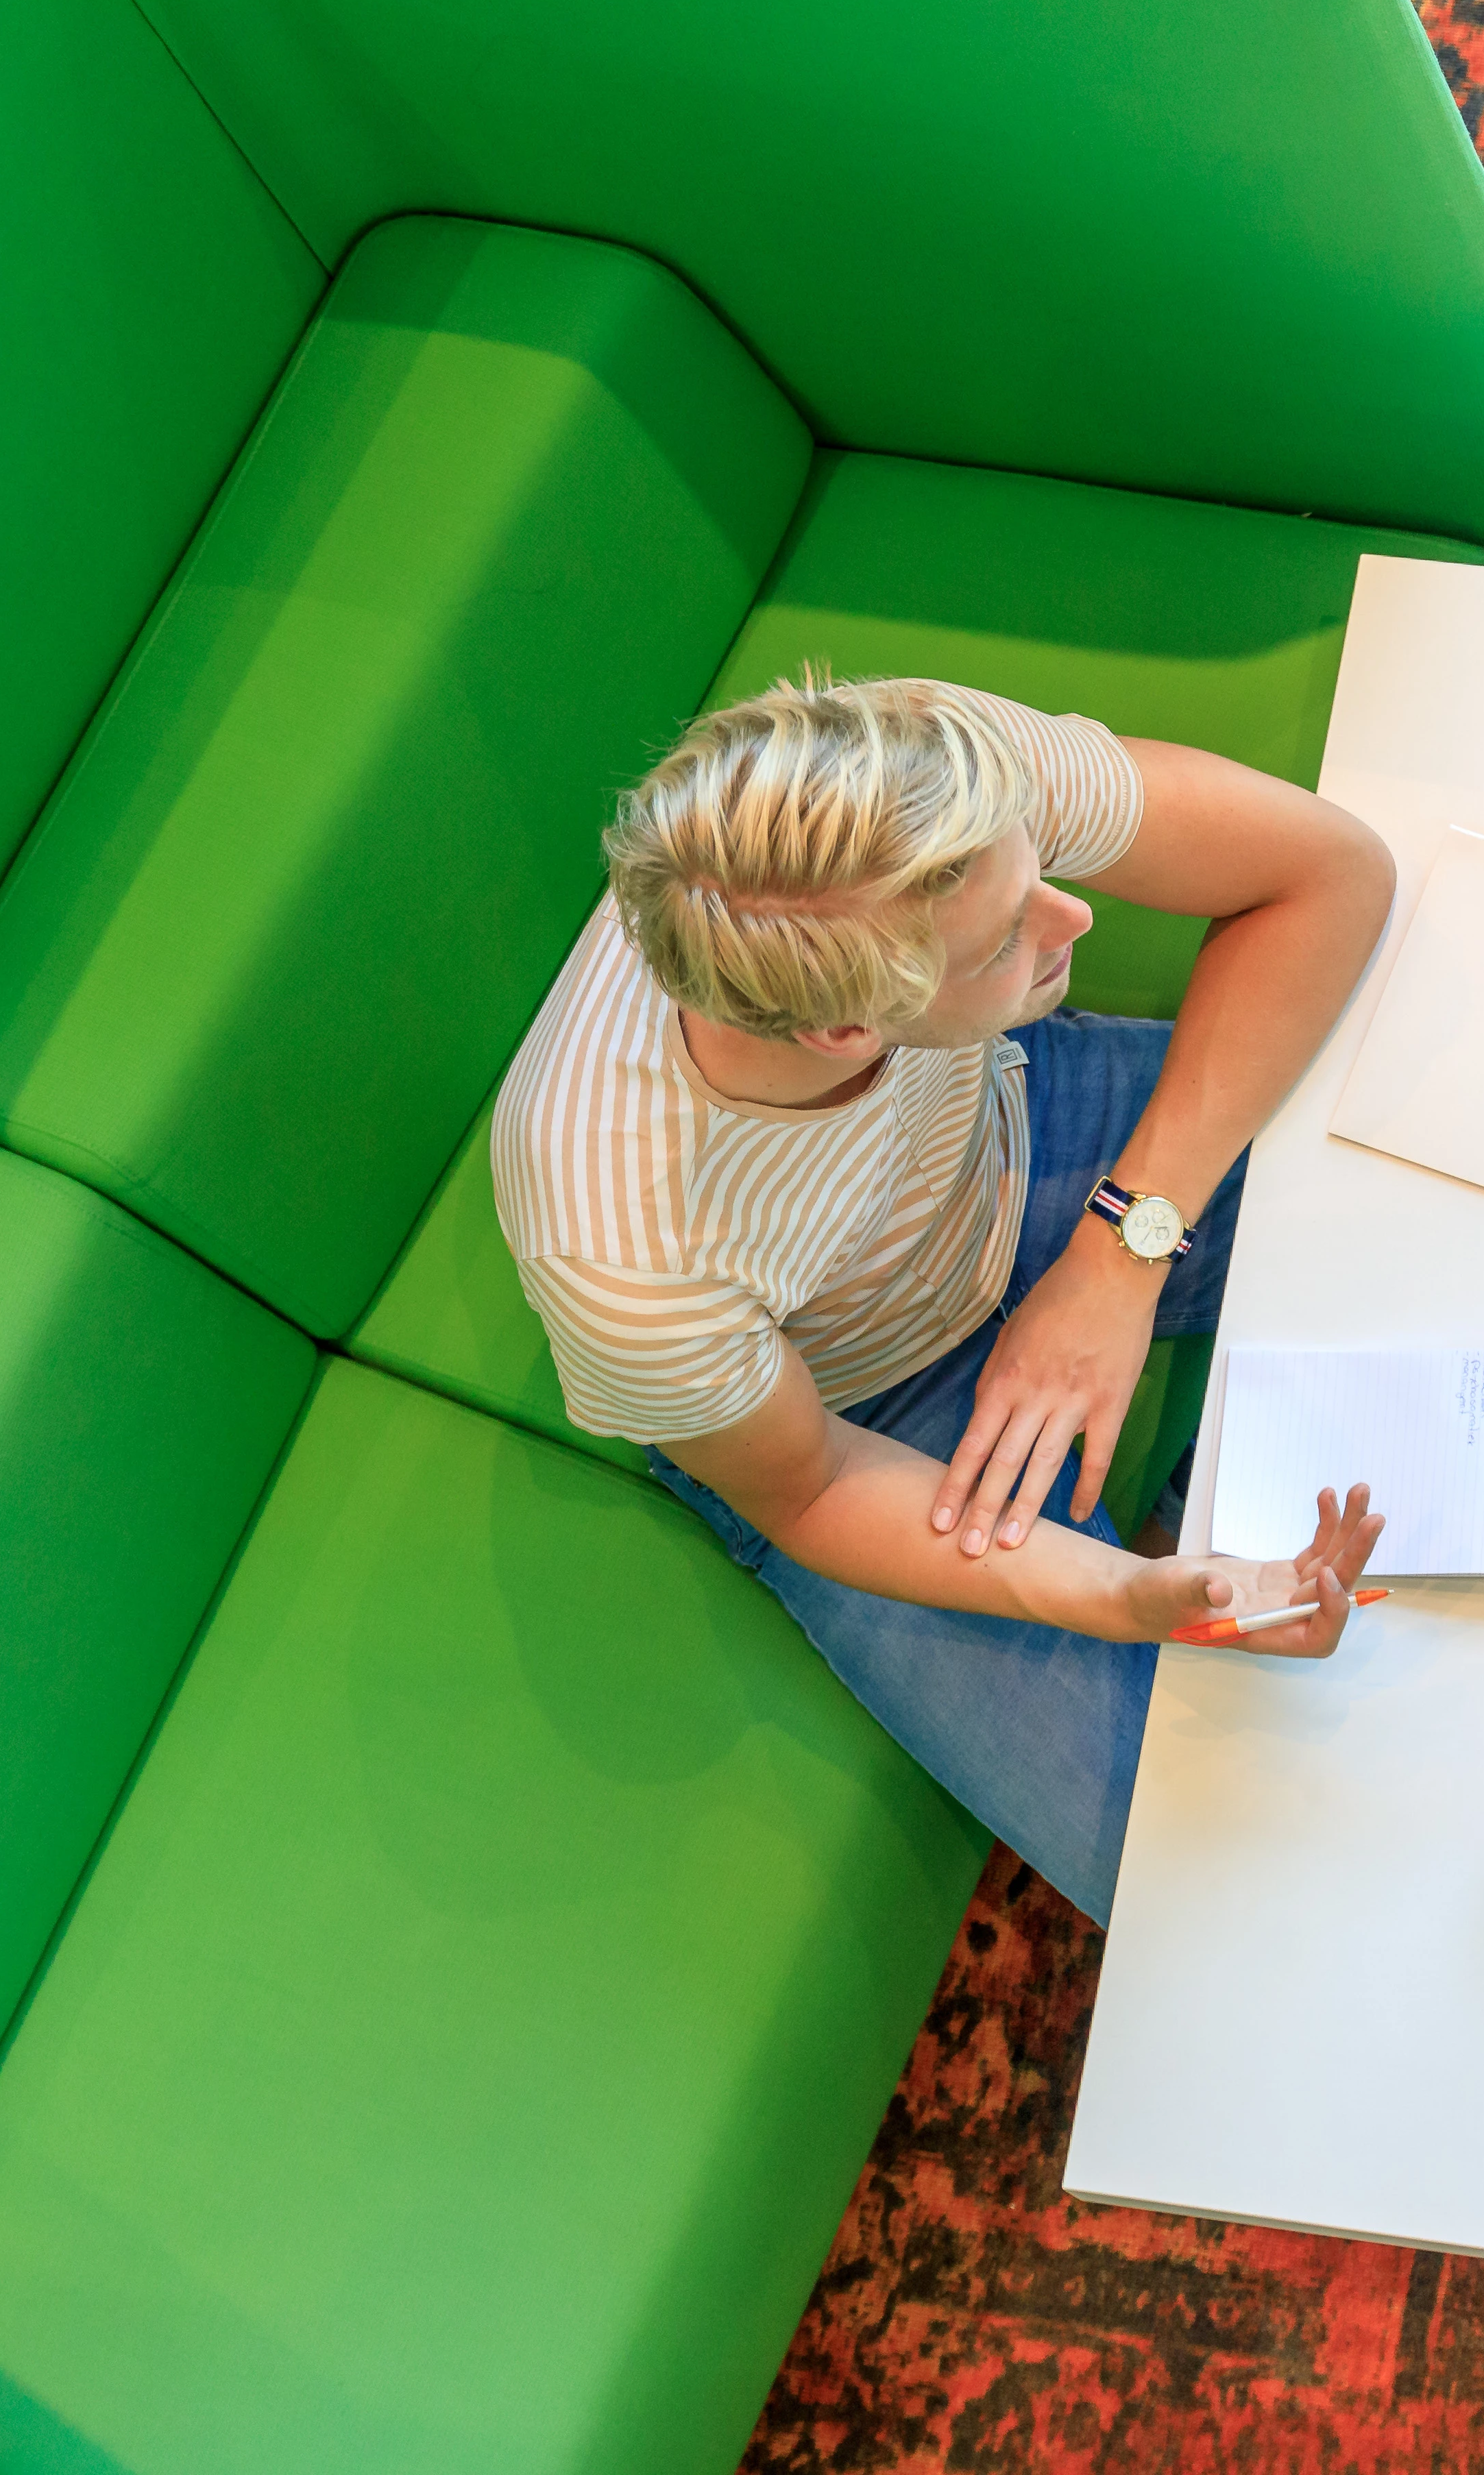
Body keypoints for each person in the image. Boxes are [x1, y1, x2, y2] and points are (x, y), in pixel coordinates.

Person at [491, 670, 1393, 1925]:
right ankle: (1181, 1509)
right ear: (844, 1034)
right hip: (861, 1409)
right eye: (1010, 937)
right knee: (1211, 1889)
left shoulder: (912, 760)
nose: (1075, 917)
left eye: (1035, 877)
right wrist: (1119, 1597)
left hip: (1018, 1132)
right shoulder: (623, 1252)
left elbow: (1334, 874)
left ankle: (1194, 1456)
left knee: (1427, 1185)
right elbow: (807, 1487)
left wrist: (1117, 1257)